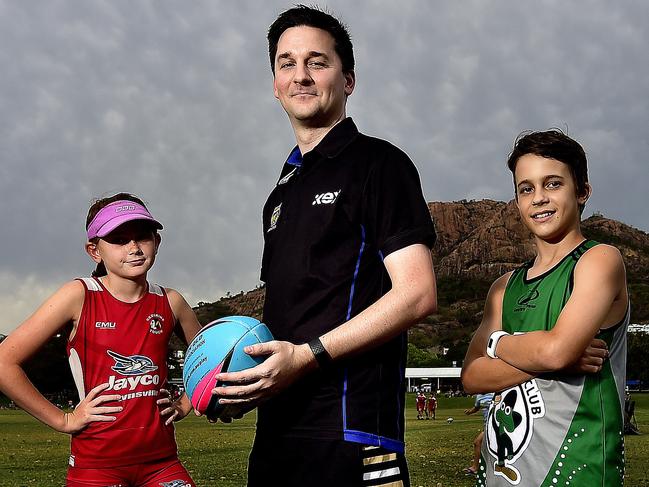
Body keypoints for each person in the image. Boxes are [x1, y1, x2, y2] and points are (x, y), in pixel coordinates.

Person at [211, 6, 437, 487]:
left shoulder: (380, 163)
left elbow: (417, 293)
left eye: (318, 61)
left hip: (352, 433)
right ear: (274, 83)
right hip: (277, 433)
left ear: (348, 79)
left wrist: (306, 355)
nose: (301, 76)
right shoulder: (282, 189)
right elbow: (291, 311)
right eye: (286, 63)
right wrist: (239, 381)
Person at [461, 130, 629, 486]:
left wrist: (498, 344)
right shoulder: (504, 287)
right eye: (526, 188)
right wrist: (548, 355)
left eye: (552, 184)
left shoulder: (599, 260)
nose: (538, 198)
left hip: (575, 472)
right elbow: (472, 376)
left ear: (582, 190)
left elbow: (555, 352)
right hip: (504, 472)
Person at [0, 193, 201, 486]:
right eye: (119, 239)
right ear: (95, 251)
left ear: (156, 242)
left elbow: (211, 357)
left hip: (162, 463)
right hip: (96, 466)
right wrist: (64, 420)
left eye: (142, 237)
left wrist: (185, 404)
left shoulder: (171, 301)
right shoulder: (78, 295)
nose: (133, 247)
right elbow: (5, 361)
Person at [462, 393, 494, 476]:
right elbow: (476, 407)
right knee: (479, 443)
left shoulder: (496, 391)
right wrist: (469, 412)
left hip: (497, 424)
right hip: (487, 425)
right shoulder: (479, 396)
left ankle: (476, 468)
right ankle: (477, 467)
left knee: (478, 442)